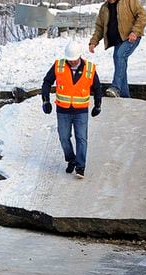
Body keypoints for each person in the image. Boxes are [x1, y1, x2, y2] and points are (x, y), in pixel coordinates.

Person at [41, 41, 102, 179]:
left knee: (81, 138)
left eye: (74, 60)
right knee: (64, 137)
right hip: (63, 110)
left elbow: (98, 88)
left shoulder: (90, 68)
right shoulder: (59, 65)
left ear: (79, 56)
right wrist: (45, 100)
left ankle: (80, 167)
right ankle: (71, 159)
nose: (72, 62)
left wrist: (98, 105)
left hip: (81, 111)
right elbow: (46, 82)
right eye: (70, 60)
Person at [89, 0, 146, 98]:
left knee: (120, 56)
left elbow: (142, 15)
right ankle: (126, 96)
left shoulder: (129, 0)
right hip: (118, 40)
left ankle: (115, 87)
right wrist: (93, 42)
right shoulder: (104, 8)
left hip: (131, 37)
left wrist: (135, 32)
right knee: (120, 63)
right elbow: (100, 27)